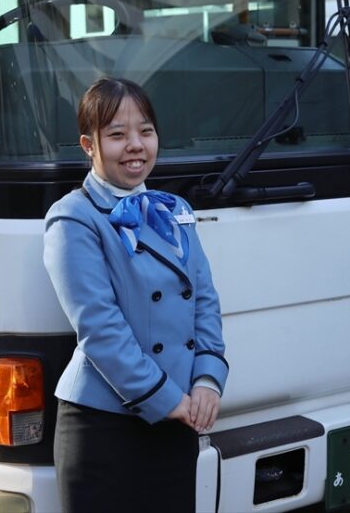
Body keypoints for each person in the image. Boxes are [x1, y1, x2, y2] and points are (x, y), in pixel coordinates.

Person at [43, 77, 228, 512]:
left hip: (177, 420)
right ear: (88, 145)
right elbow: (100, 330)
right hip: (104, 428)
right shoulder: (72, 218)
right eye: (117, 135)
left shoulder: (174, 211)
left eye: (145, 131)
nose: (135, 145)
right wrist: (169, 399)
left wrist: (206, 381)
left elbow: (204, 301)